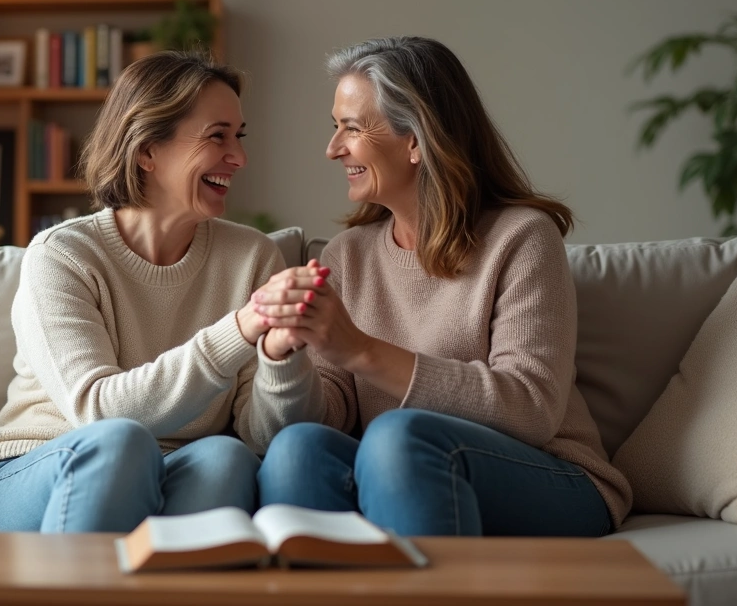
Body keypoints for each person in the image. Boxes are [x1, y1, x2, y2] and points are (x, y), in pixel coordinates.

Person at [252, 36, 632, 537]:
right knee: (296, 451)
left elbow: (531, 408)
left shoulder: (521, 239)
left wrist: (361, 350)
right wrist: (283, 357)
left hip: (552, 476)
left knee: (396, 438)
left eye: (351, 129)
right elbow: (329, 415)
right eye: (334, 128)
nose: (332, 149)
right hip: (402, 473)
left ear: (416, 141)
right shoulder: (348, 255)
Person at [0, 51, 332, 533]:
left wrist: (281, 356)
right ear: (147, 150)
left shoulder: (252, 257)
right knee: (121, 444)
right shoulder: (62, 255)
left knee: (228, 457)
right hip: (31, 469)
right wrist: (240, 328)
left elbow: (264, 437)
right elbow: (98, 411)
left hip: (170, 470)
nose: (239, 157)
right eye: (218, 136)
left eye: (239, 136)